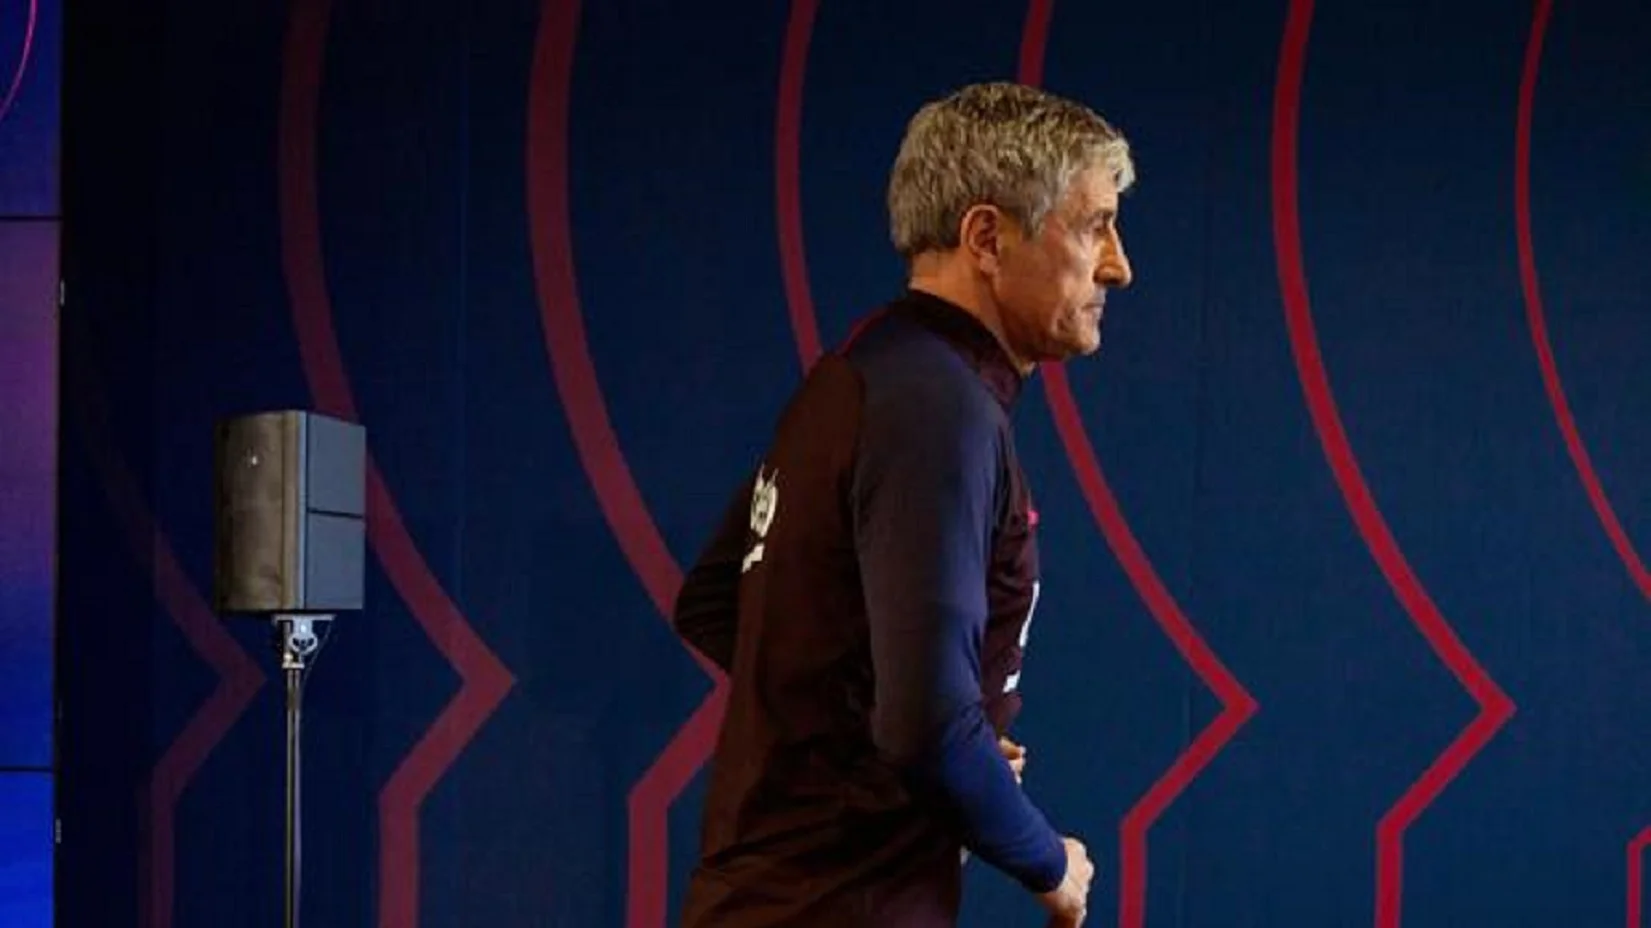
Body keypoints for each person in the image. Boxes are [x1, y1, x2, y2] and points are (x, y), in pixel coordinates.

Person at [671, 81, 1135, 927]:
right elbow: (926, 723)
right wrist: (1048, 862)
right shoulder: (935, 409)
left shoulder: (867, 372)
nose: (1116, 265)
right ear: (986, 238)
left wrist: (923, 742)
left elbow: (715, 603)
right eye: (1093, 225)